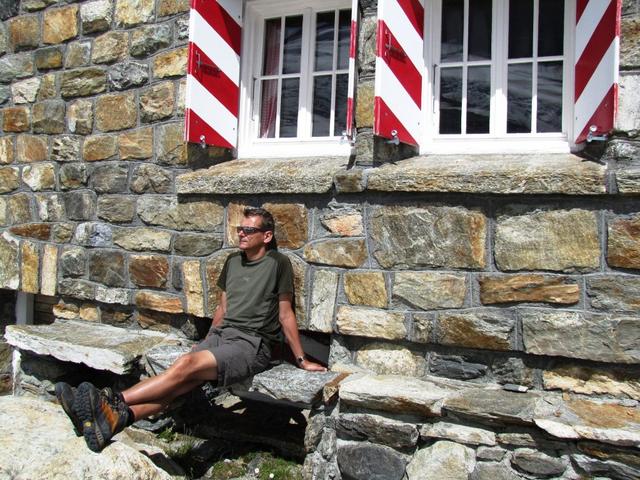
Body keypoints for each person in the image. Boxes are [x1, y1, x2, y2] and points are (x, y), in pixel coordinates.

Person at [56, 207, 326, 452]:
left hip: (251, 344)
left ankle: (109, 401)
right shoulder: (232, 261)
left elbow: (285, 313)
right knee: (179, 383)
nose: (241, 234)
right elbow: (222, 309)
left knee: (184, 365)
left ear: (266, 236)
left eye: (248, 230)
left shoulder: (277, 263)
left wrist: (301, 359)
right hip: (221, 337)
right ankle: (113, 420)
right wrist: (207, 341)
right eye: (239, 229)